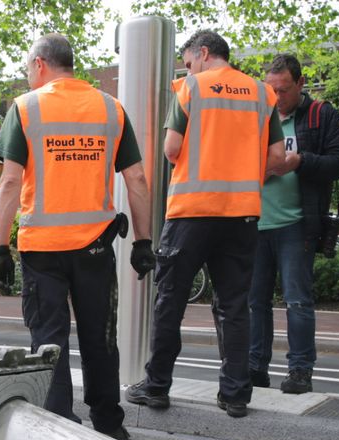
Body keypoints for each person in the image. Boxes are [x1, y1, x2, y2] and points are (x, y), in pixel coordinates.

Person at [0, 33, 155, 440]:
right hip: (95, 246)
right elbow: (136, 178)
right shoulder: (110, 108)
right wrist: (143, 241)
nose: (29, 76)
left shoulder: (25, 108)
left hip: (42, 250)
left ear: (40, 64)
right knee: (99, 336)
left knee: (49, 339)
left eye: (29, 68)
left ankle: (60, 426)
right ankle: (109, 422)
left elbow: (10, 182)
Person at [125, 30, 284, 419]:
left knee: (171, 300)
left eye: (189, 61)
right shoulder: (263, 94)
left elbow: (171, 149)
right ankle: (234, 395)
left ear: (204, 53)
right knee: (234, 306)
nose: (187, 68)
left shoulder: (191, 88)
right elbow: (277, 158)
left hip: (192, 212)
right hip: (242, 214)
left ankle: (158, 387)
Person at [249, 54, 339, 394]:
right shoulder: (257, 117)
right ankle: (254, 368)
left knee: (297, 300)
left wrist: (300, 161)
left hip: (296, 223)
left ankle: (300, 371)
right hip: (255, 222)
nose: (278, 98)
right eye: (272, 90)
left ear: (301, 83)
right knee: (254, 302)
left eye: (285, 90)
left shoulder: (321, 116)